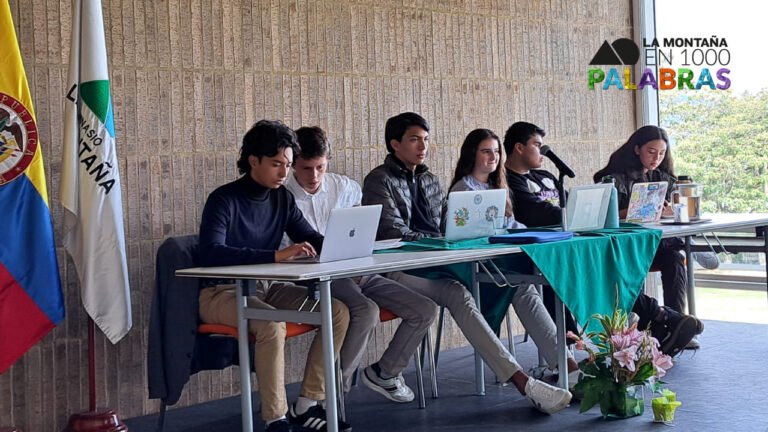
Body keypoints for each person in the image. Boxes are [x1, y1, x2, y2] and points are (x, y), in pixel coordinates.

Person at [362, 112, 573, 415]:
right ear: (395, 144)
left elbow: (445, 227)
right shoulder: (379, 179)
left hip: (438, 262)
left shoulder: (429, 179)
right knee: (458, 294)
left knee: (519, 284)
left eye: (426, 140)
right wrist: (439, 240)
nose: (423, 146)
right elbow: (392, 232)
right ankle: (523, 382)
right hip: (399, 266)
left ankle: (569, 368)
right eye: (414, 139)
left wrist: (448, 238)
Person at [198, 120, 351, 432]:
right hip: (220, 292)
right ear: (253, 160)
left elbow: (311, 237)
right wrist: (274, 256)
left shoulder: (282, 198)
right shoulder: (224, 199)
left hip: (266, 288)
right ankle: (276, 419)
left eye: (288, 165)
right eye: (276, 164)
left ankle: (308, 402)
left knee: (337, 312)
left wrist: (348, 245)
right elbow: (211, 252)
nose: (284, 173)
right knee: (271, 325)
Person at [504, 121, 703, 356]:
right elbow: (538, 212)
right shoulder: (510, 181)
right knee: (606, 267)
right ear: (519, 147)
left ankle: (663, 319)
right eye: (537, 145)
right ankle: (659, 316)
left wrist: (582, 212)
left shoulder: (546, 176)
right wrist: (582, 213)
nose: (543, 151)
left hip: (577, 240)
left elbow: (572, 203)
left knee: (658, 259)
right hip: (548, 249)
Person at [283, 126, 437, 404]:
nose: (314, 176)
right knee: (366, 310)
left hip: (358, 270)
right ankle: (334, 392)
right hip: (314, 277)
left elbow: (362, 231)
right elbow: (282, 251)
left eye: (320, 167)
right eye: (306, 168)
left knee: (424, 309)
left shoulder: (345, 187)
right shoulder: (282, 197)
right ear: (293, 163)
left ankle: (385, 372)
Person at [447, 128, 581, 378]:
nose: (493, 157)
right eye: (486, 151)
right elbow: (461, 235)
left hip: (503, 263)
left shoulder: (499, 186)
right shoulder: (463, 189)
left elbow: (511, 225)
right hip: (477, 267)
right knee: (528, 283)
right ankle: (566, 364)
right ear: (472, 154)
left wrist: (527, 232)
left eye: (496, 151)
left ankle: (566, 364)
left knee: (533, 282)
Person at [593, 125, 711, 348]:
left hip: (655, 244)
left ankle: (677, 323)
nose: (656, 158)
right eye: (651, 152)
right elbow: (601, 216)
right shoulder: (612, 179)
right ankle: (692, 247)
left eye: (662, 153)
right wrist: (635, 211)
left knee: (675, 259)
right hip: (624, 247)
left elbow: (677, 205)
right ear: (637, 149)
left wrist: (669, 210)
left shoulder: (663, 178)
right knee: (655, 256)